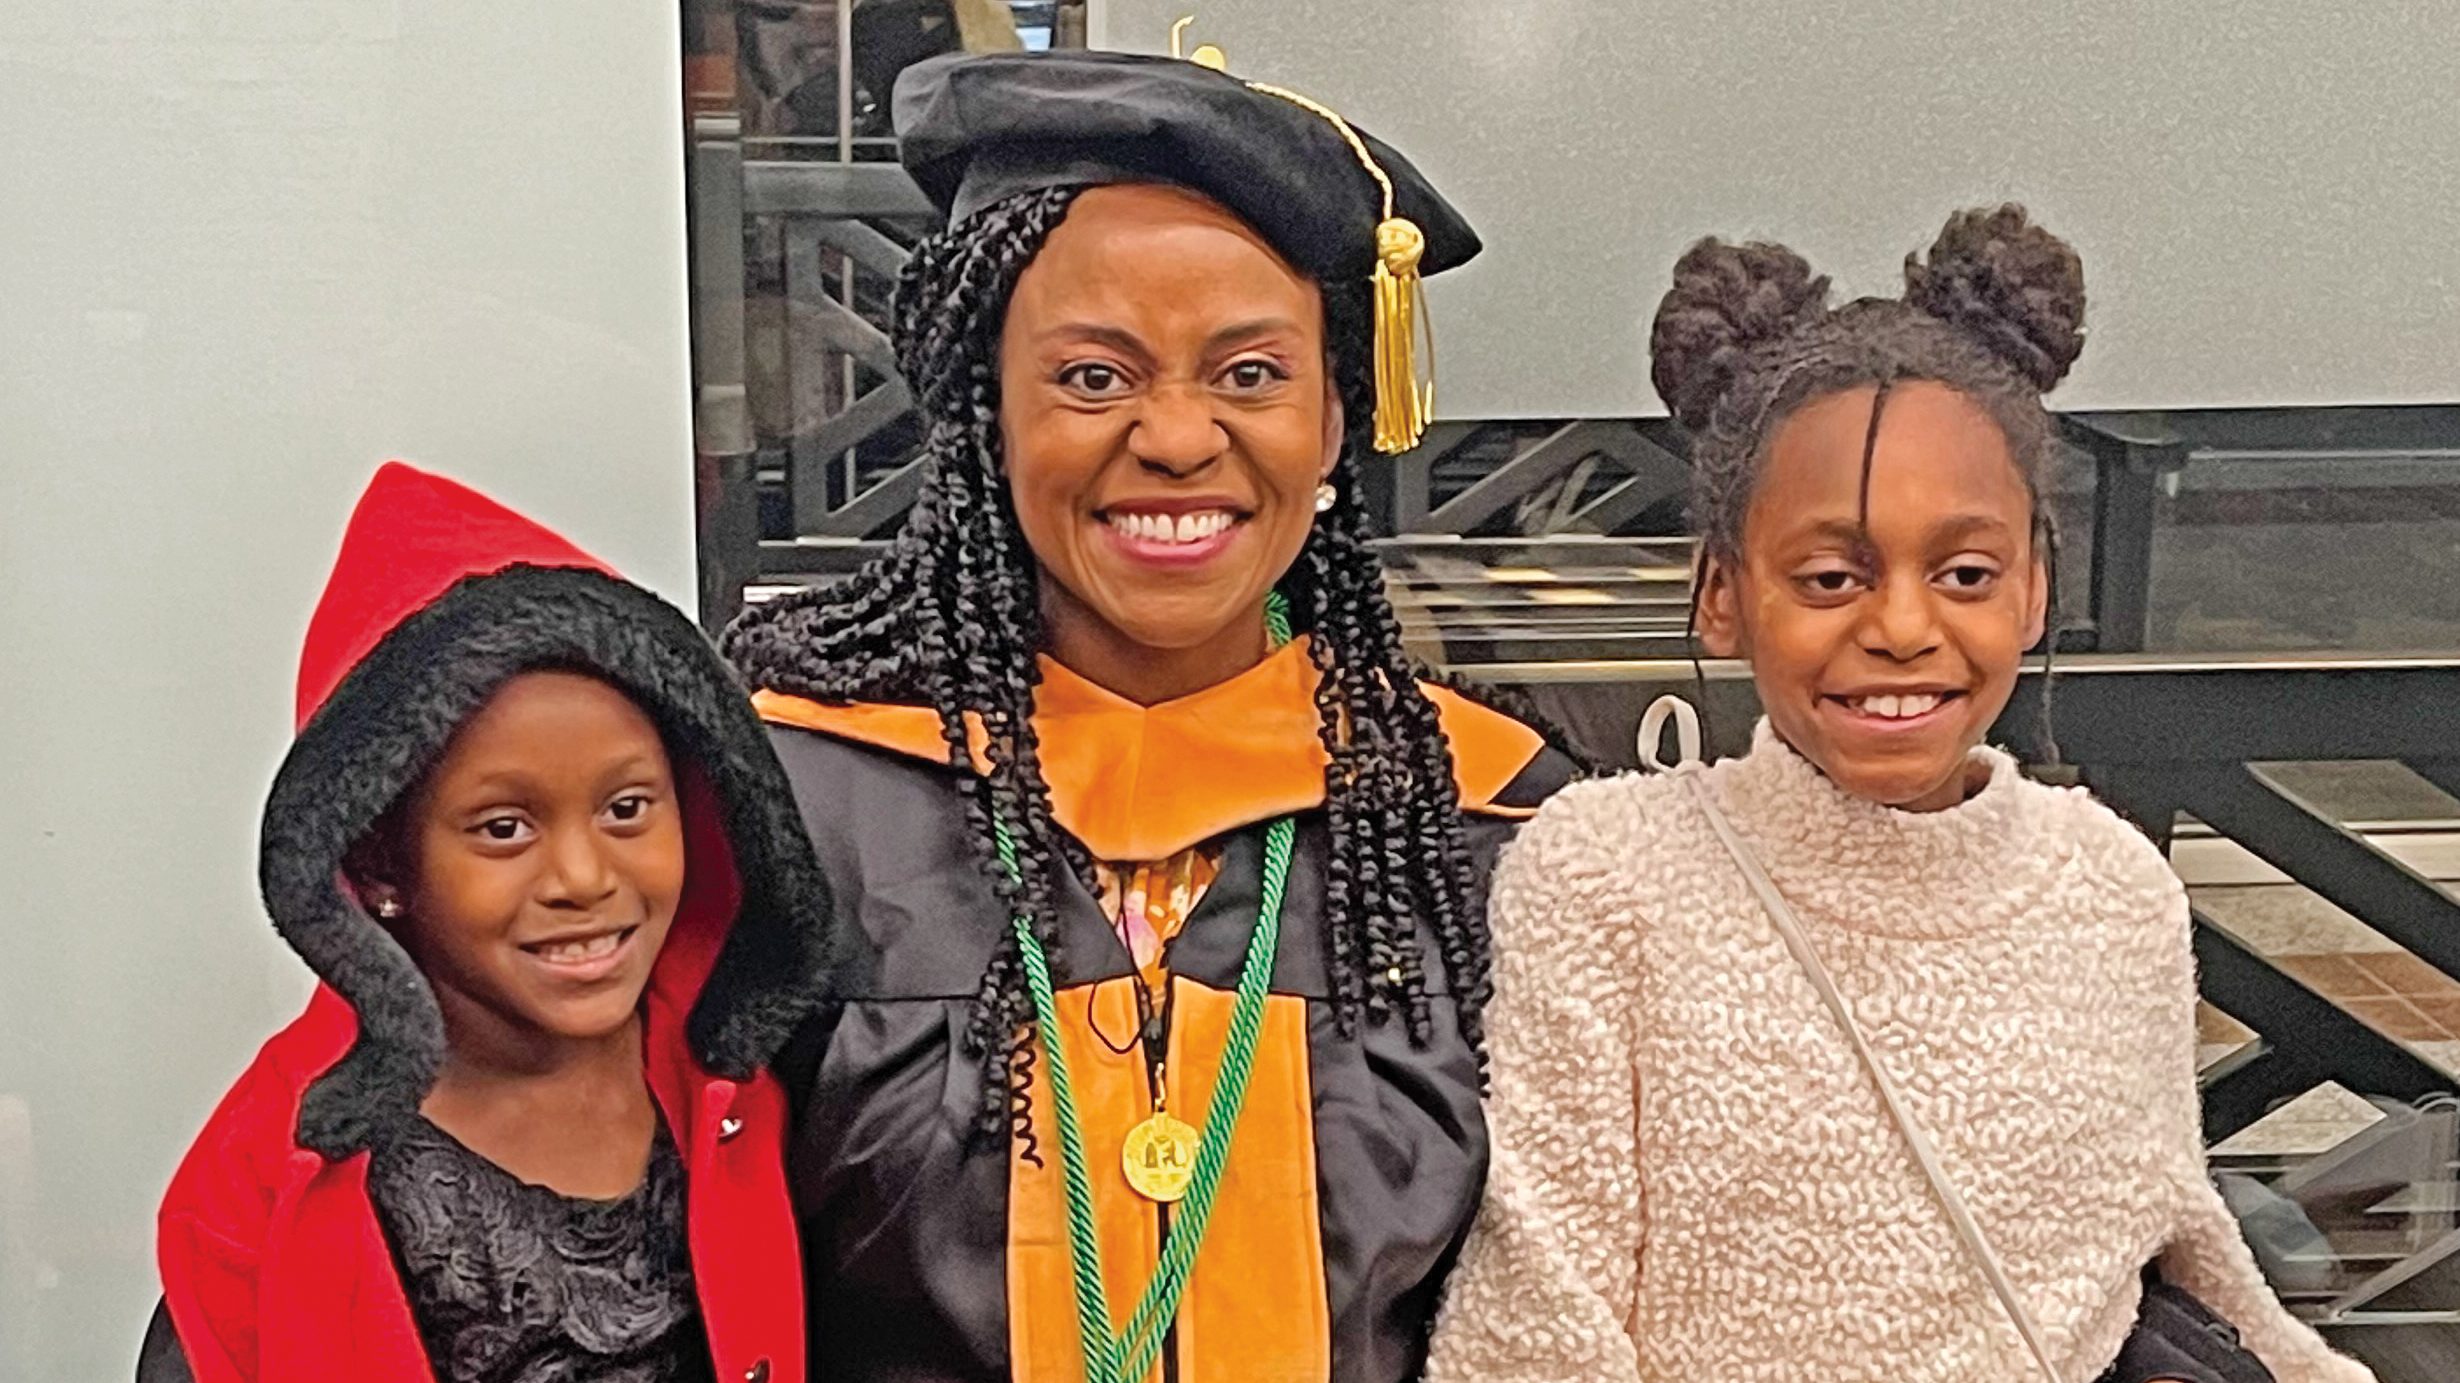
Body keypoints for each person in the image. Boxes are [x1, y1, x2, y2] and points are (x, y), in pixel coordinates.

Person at [719, 49, 1580, 1383]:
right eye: (1092, 378)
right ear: (983, 409)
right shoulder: (799, 813)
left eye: (1251, 374)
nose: (1178, 437)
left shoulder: (1481, 826)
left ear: (1335, 416)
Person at [1424, 207, 2375, 1381]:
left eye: (1966, 572)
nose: (1904, 627)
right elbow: (1539, 1310)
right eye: (1832, 576)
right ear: (1721, 595)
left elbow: (2175, 1236)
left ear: (2035, 590)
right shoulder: (1606, 875)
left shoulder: (2112, 890)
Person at [142, 463, 837, 1383]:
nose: (584, 877)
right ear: (379, 862)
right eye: (504, 827)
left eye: (627, 808)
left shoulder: (743, 1082)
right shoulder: (267, 1184)